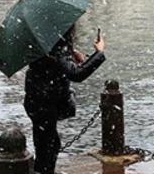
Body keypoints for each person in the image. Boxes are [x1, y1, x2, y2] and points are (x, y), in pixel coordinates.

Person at [24, 24, 106, 174]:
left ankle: (43, 170)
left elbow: (53, 65)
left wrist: (70, 53)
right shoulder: (57, 44)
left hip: (35, 98)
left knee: (46, 144)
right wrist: (99, 53)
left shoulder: (42, 39)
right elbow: (77, 74)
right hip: (46, 102)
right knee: (48, 146)